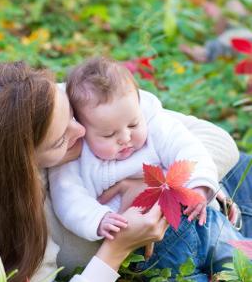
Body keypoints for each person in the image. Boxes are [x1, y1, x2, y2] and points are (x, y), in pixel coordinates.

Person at [0, 61, 246, 282]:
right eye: (60, 140)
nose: (81, 131)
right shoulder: (19, 221)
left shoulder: (63, 105)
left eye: (73, 118)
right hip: (175, 253)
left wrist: (165, 188)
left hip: (219, 197)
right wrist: (115, 250)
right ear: (21, 164)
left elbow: (215, 141)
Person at [49, 57, 219, 242]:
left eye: (133, 125)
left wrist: (199, 187)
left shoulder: (155, 126)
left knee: (228, 249)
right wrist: (98, 219)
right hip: (147, 239)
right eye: (108, 135)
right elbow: (68, 197)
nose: (125, 138)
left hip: (193, 215)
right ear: (81, 128)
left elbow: (189, 150)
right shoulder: (74, 157)